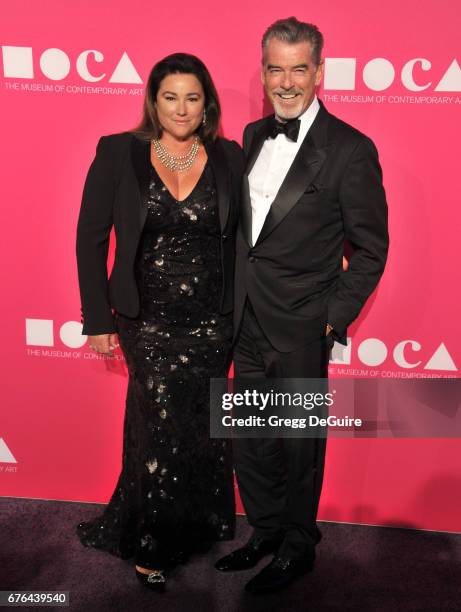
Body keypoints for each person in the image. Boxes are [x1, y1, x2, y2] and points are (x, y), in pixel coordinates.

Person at [215, 17, 389, 593]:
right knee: (250, 437)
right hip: (245, 317)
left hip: (302, 323)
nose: (285, 81)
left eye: (298, 69)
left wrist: (331, 317)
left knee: (298, 443)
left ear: (319, 72)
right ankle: (263, 531)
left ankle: (297, 545)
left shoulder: (350, 150)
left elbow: (370, 249)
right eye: (274, 68)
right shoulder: (249, 135)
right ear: (262, 72)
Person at [75, 53, 244, 591]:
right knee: (160, 423)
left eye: (192, 97)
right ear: (153, 100)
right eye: (170, 96)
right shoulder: (118, 152)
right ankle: (153, 541)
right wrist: (97, 317)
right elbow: (91, 239)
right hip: (145, 318)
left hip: (212, 320)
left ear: (206, 104)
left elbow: (249, 231)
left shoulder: (229, 157)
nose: (181, 108)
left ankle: (193, 524)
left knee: (198, 426)